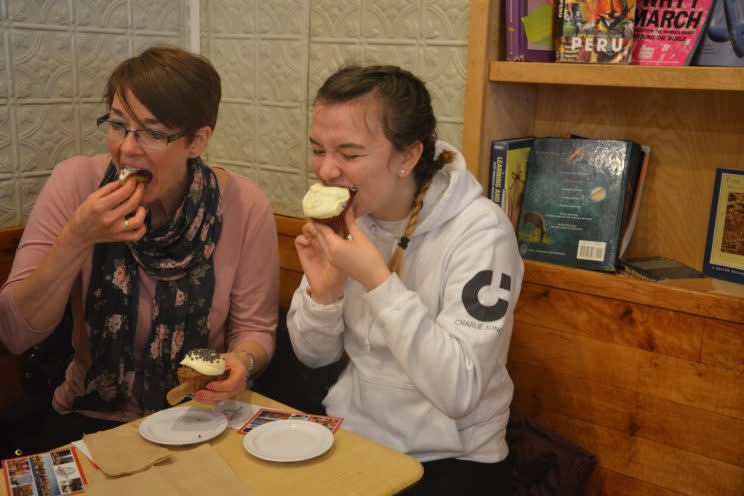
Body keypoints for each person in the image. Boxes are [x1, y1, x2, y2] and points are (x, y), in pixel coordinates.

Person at [0, 46, 279, 456]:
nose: (127, 149)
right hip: (89, 421)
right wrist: (78, 237)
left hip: (200, 421)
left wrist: (242, 362)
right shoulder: (76, 183)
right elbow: (14, 333)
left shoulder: (245, 206)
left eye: (152, 132)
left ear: (198, 140)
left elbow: (255, 332)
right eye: (117, 124)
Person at [286, 65, 524, 494]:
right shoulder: (348, 218)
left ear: (408, 157)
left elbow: (459, 392)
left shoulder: (482, 232)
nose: (325, 170)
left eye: (350, 154)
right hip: (354, 437)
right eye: (318, 149)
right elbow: (314, 356)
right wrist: (324, 295)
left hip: (454, 460)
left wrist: (377, 280)